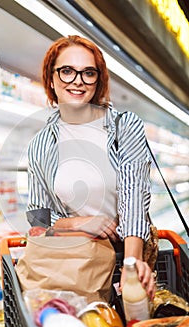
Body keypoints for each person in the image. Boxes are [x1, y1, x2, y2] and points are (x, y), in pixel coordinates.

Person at [27, 35, 155, 300]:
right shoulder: (40, 144)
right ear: (51, 79)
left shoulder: (123, 126)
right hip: (77, 264)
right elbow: (38, 220)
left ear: (98, 80)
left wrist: (132, 264)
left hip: (126, 255)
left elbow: (134, 196)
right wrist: (79, 223)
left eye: (88, 72)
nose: (77, 80)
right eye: (67, 71)